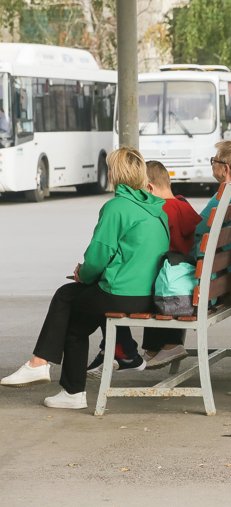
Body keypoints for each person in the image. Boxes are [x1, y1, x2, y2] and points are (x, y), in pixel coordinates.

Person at [0, 148, 169, 409]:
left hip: (121, 294)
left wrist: (84, 273)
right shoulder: (157, 211)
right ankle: (55, 377)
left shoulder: (117, 207)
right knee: (74, 319)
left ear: (115, 174)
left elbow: (98, 257)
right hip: (147, 295)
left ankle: (52, 374)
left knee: (65, 298)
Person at [85, 161, 202, 374]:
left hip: (167, 282)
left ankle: (122, 349)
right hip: (185, 277)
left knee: (115, 288)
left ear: (148, 187)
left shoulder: (163, 209)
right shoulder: (183, 205)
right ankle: (119, 350)